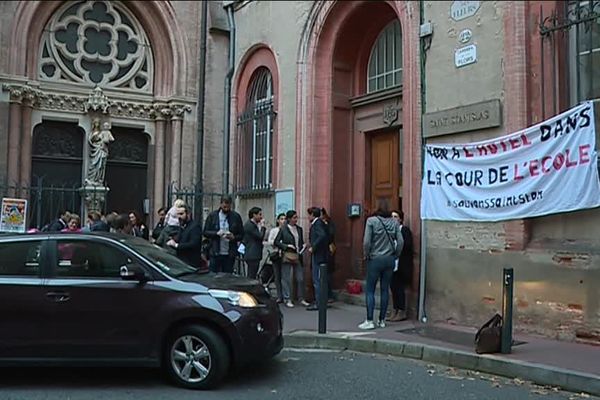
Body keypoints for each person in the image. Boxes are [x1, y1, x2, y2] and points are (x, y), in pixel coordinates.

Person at [359, 200, 403, 330]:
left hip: (375, 258)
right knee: (385, 289)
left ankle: (369, 320)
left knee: (370, 290)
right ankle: (382, 320)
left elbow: (366, 242)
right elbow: (400, 241)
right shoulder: (394, 222)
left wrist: (366, 254)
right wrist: (396, 255)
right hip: (389, 259)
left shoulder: (371, 221)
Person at [275, 210, 309, 308]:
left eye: (296, 217)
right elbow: (276, 242)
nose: (296, 219)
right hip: (288, 255)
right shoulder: (283, 229)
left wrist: (303, 245)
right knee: (286, 278)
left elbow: (300, 240)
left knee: (300, 278)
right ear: (289, 219)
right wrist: (286, 246)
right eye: (294, 217)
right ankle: (287, 298)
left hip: (298, 255)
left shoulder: (299, 229)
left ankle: (301, 298)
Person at [203, 195, 243, 273]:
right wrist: (216, 233)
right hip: (215, 252)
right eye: (224, 206)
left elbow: (241, 234)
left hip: (229, 253)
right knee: (214, 275)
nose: (226, 208)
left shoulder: (236, 217)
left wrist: (233, 237)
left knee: (227, 275)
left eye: (228, 206)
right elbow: (205, 232)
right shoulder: (213, 216)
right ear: (221, 204)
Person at [388, 210, 413, 322]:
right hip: (392, 264)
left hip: (402, 264)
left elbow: (407, 245)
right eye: (392, 217)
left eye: (395, 216)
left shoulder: (404, 230)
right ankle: (394, 310)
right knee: (393, 287)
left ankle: (401, 311)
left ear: (400, 219)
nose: (393, 219)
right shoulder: (390, 230)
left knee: (399, 289)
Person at [167, 204, 204, 269]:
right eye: (177, 214)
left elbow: (193, 244)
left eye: (181, 214)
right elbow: (180, 238)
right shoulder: (182, 226)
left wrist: (176, 245)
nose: (179, 217)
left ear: (188, 214)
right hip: (182, 262)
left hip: (191, 263)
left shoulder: (195, 227)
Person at [306, 207, 329, 311]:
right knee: (319, 280)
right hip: (321, 254)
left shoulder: (317, 223)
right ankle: (321, 301)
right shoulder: (321, 223)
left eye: (308, 215)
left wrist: (313, 247)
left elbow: (322, 235)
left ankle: (319, 303)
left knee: (317, 280)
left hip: (318, 255)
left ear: (312, 215)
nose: (307, 217)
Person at [85, 119, 114, 185]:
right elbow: (92, 139)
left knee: (100, 165)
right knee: (94, 164)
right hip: (97, 149)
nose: (97, 124)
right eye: (96, 123)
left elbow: (111, 139)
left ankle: (98, 180)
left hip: (102, 149)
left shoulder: (104, 132)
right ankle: (92, 179)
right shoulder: (98, 133)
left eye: (98, 123)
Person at [242, 207, 266, 279]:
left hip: (254, 254)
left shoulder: (253, 225)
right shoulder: (250, 225)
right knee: (251, 275)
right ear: (254, 215)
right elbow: (260, 236)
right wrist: (263, 227)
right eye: (259, 214)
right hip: (252, 254)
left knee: (253, 274)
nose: (261, 217)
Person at [267, 213, 286, 303]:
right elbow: (270, 241)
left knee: (285, 276)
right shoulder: (274, 230)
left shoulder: (287, 230)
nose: (283, 221)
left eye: (284, 219)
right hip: (276, 254)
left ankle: (286, 295)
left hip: (285, 254)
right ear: (278, 220)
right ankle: (279, 296)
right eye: (281, 219)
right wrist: (277, 243)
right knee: (277, 275)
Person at [321, 207, 336, 303]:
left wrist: (325, 226)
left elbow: (330, 235)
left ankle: (329, 295)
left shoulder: (329, 224)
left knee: (328, 275)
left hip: (328, 252)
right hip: (323, 251)